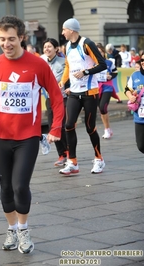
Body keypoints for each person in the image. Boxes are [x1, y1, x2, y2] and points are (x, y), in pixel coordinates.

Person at [0, 15, 64, 254]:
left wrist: (55, 129)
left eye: (11, 39)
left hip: (27, 137)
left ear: (22, 38)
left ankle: (24, 230)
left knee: (19, 186)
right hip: (0, 137)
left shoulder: (38, 65)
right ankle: (11, 229)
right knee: (5, 187)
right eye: (2, 39)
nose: (6, 44)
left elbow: (56, 98)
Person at [59, 18, 107, 175]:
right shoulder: (67, 46)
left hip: (90, 93)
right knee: (68, 125)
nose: (62, 32)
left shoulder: (86, 43)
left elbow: (102, 64)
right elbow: (68, 66)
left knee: (90, 127)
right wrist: (62, 81)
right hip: (74, 93)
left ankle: (99, 159)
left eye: (64, 29)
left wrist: (85, 72)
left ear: (71, 30)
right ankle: (72, 162)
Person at [41, 38, 68, 166]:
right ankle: (61, 154)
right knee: (53, 127)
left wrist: (68, 88)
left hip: (64, 98)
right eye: (45, 47)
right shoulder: (41, 64)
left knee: (63, 126)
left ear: (56, 49)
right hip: (49, 99)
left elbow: (70, 77)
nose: (47, 49)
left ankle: (69, 153)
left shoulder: (64, 62)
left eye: (49, 46)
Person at [96, 44, 118, 139]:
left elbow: (115, 72)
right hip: (96, 87)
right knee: (101, 110)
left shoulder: (109, 62)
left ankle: (107, 129)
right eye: (97, 51)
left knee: (103, 107)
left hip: (107, 87)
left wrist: (110, 76)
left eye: (100, 51)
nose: (99, 53)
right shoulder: (91, 63)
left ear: (103, 52)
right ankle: (107, 128)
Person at [125, 53, 144, 154]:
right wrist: (131, 96)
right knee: (141, 146)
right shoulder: (135, 75)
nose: (143, 62)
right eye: (142, 60)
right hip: (140, 117)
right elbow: (127, 89)